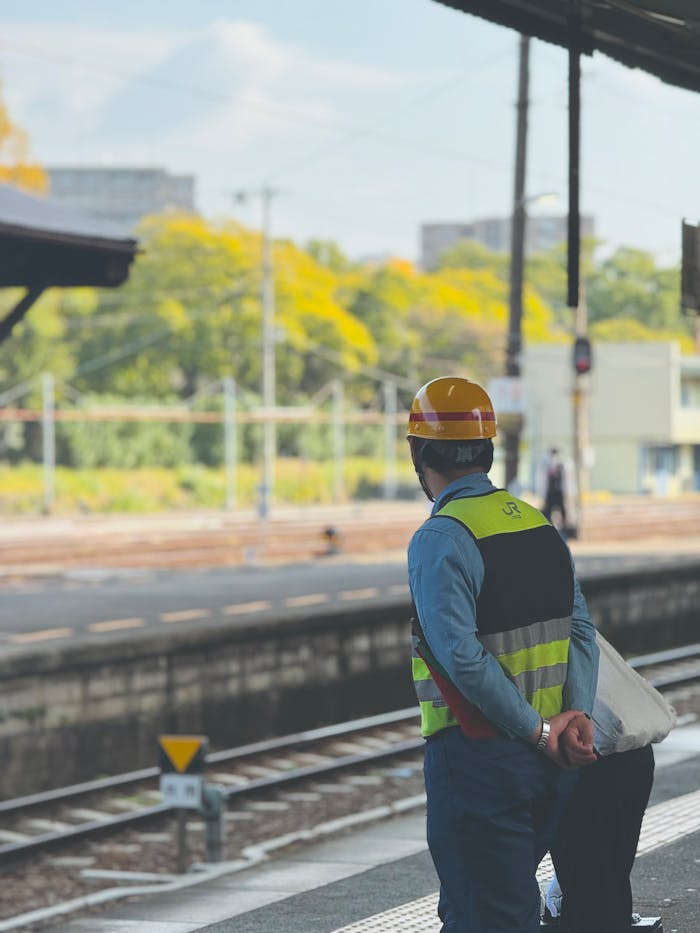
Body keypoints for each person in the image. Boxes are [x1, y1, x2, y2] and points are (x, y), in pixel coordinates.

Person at [406, 376, 600, 933]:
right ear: (487, 448)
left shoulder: (440, 537)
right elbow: (581, 630)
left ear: (419, 452)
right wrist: (573, 719)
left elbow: (461, 657)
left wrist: (537, 731)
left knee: (481, 915)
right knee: (511, 907)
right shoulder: (541, 526)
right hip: (550, 765)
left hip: (478, 757)